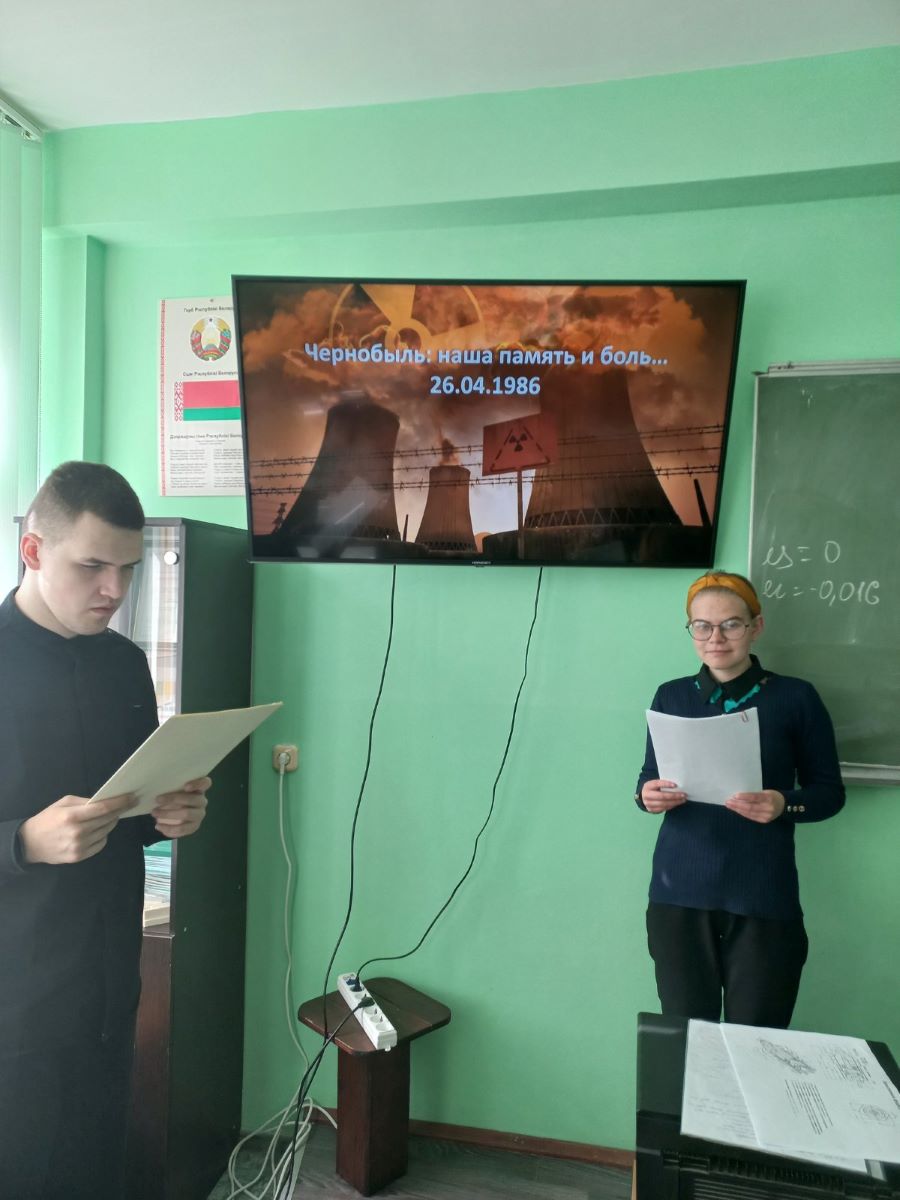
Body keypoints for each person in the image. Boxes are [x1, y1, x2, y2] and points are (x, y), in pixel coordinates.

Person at [0, 461, 211, 1199]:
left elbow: (129, 812)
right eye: (92, 567)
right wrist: (23, 841)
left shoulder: (125, 665)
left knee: (96, 1169)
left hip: (108, 983)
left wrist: (168, 818)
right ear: (33, 550)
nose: (114, 591)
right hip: (14, 997)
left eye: (128, 569)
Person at [635, 569, 844, 1029]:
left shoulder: (795, 697)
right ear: (691, 629)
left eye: (731, 624)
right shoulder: (671, 696)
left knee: (758, 1043)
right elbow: (649, 779)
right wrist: (647, 796)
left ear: (755, 626)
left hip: (763, 895)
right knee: (687, 1041)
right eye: (702, 626)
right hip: (679, 895)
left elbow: (829, 794)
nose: (716, 638)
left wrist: (783, 804)